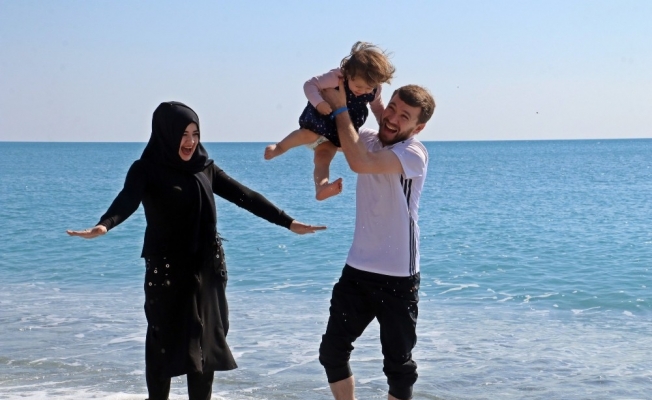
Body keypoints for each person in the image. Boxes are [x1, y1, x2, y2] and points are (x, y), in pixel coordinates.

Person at [67, 101, 325, 400]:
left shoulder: (205, 168)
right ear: (166, 134)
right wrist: (104, 225)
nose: (190, 141)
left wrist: (288, 222)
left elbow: (245, 196)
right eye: (183, 134)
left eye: (195, 133)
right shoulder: (146, 169)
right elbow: (127, 200)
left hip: (207, 269)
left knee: (205, 343)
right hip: (167, 271)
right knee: (163, 343)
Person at [317, 81, 435, 400]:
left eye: (404, 116)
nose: (393, 118)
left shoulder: (413, 153)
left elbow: (361, 164)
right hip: (357, 269)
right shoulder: (368, 139)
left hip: (398, 277)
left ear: (418, 128)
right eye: (392, 108)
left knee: (399, 368)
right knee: (332, 352)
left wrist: (341, 108)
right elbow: (323, 139)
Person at [264, 41, 395, 201]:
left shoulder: (375, 90)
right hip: (319, 122)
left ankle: (321, 186)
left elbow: (378, 108)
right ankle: (279, 147)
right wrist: (319, 103)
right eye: (358, 86)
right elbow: (310, 84)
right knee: (308, 135)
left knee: (323, 157)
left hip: (336, 135)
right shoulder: (336, 77)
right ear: (349, 74)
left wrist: (384, 126)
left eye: (368, 88)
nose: (363, 92)